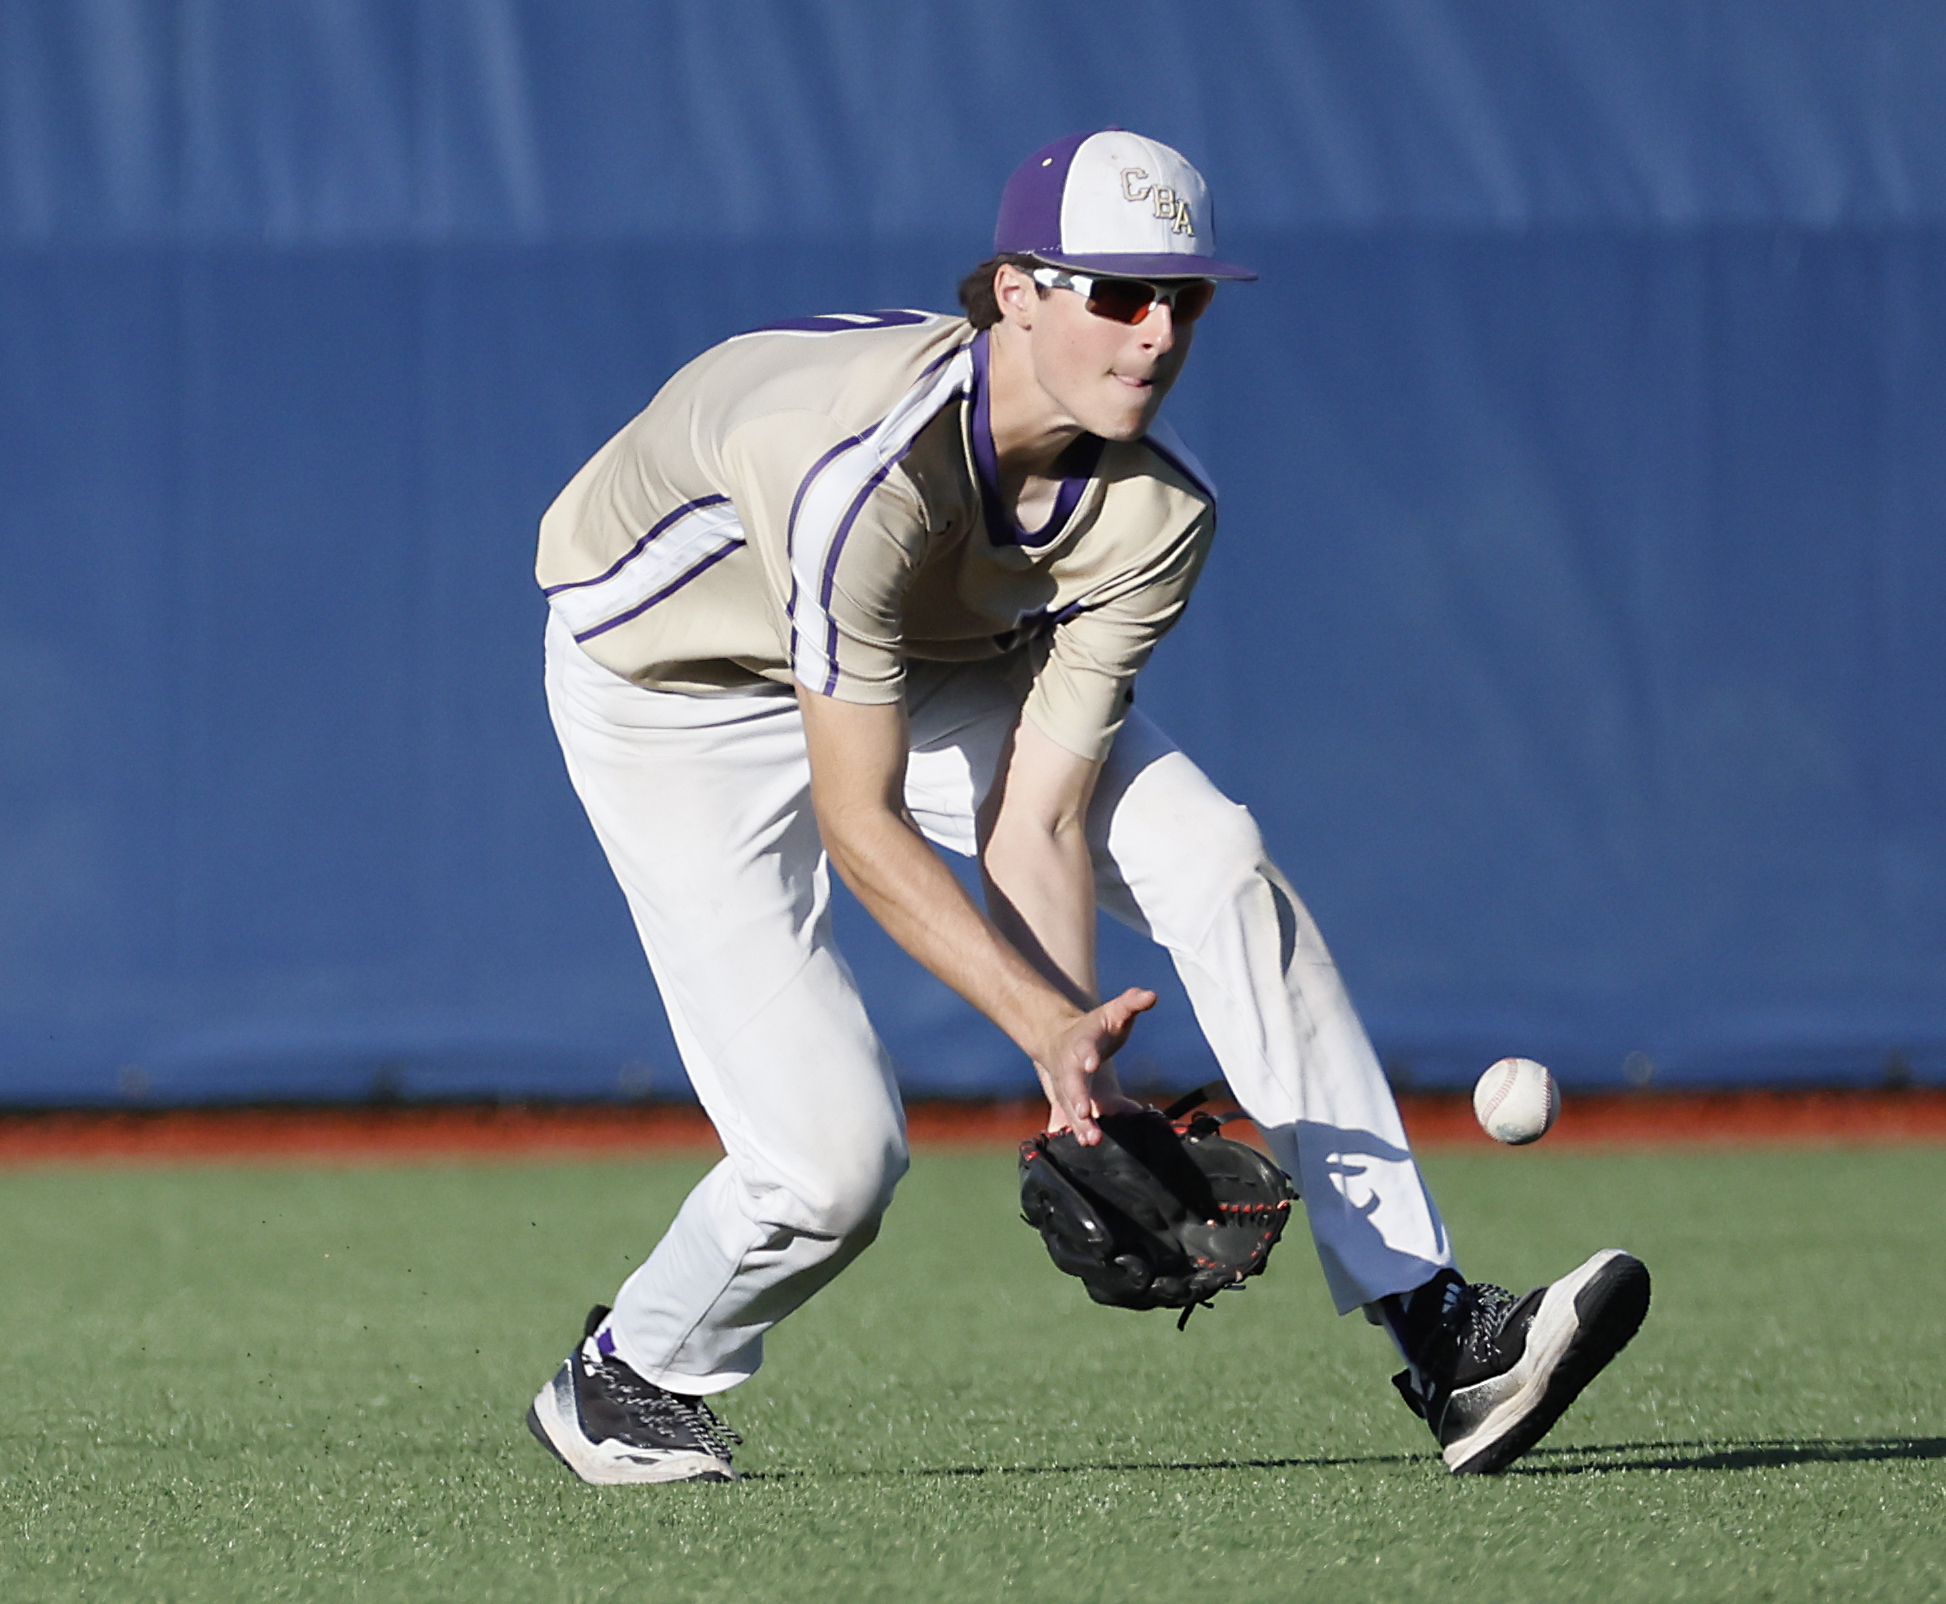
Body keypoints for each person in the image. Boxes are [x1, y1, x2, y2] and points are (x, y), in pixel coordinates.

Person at [524, 129, 1648, 1484]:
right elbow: (860, 823)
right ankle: (627, 1377)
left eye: (1187, 299)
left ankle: (1444, 1332)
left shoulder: (1153, 516)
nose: (1158, 330)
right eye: (1120, 293)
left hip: (921, 661)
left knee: (1214, 854)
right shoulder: (858, 477)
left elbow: (1039, 815)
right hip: (675, 694)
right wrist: (1038, 1023)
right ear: (1017, 294)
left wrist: (1081, 1079)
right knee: (830, 1171)